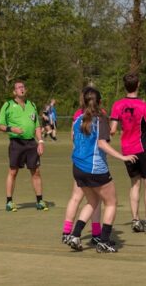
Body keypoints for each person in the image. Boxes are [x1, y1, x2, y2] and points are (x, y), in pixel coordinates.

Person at [64, 87, 138, 253]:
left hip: (78, 167)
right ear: (100, 102)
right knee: (111, 203)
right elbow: (102, 143)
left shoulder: (78, 119)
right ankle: (104, 240)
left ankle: (74, 235)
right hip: (94, 167)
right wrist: (122, 157)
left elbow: (75, 139)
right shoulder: (101, 119)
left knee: (93, 201)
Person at [109, 73, 146, 234]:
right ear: (138, 85)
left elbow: (112, 130)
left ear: (124, 86)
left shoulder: (117, 105)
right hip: (142, 149)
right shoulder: (144, 106)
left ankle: (135, 219)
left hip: (126, 151)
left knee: (135, 183)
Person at [0, 80, 47, 212]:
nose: (21, 89)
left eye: (23, 87)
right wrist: (12, 129)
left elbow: (36, 125)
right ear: (14, 92)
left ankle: (39, 201)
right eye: (18, 88)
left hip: (31, 143)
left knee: (36, 171)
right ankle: (9, 202)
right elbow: (0, 125)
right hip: (16, 143)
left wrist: (40, 141)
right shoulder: (7, 105)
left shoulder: (32, 105)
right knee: (13, 172)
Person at [61, 102, 103, 245]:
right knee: (95, 200)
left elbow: (72, 135)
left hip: (78, 161)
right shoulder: (99, 114)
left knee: (75, 198)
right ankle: (96, 233)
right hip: (92, 163)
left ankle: (66, 232)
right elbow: (104, 138)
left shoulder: (78, 114)